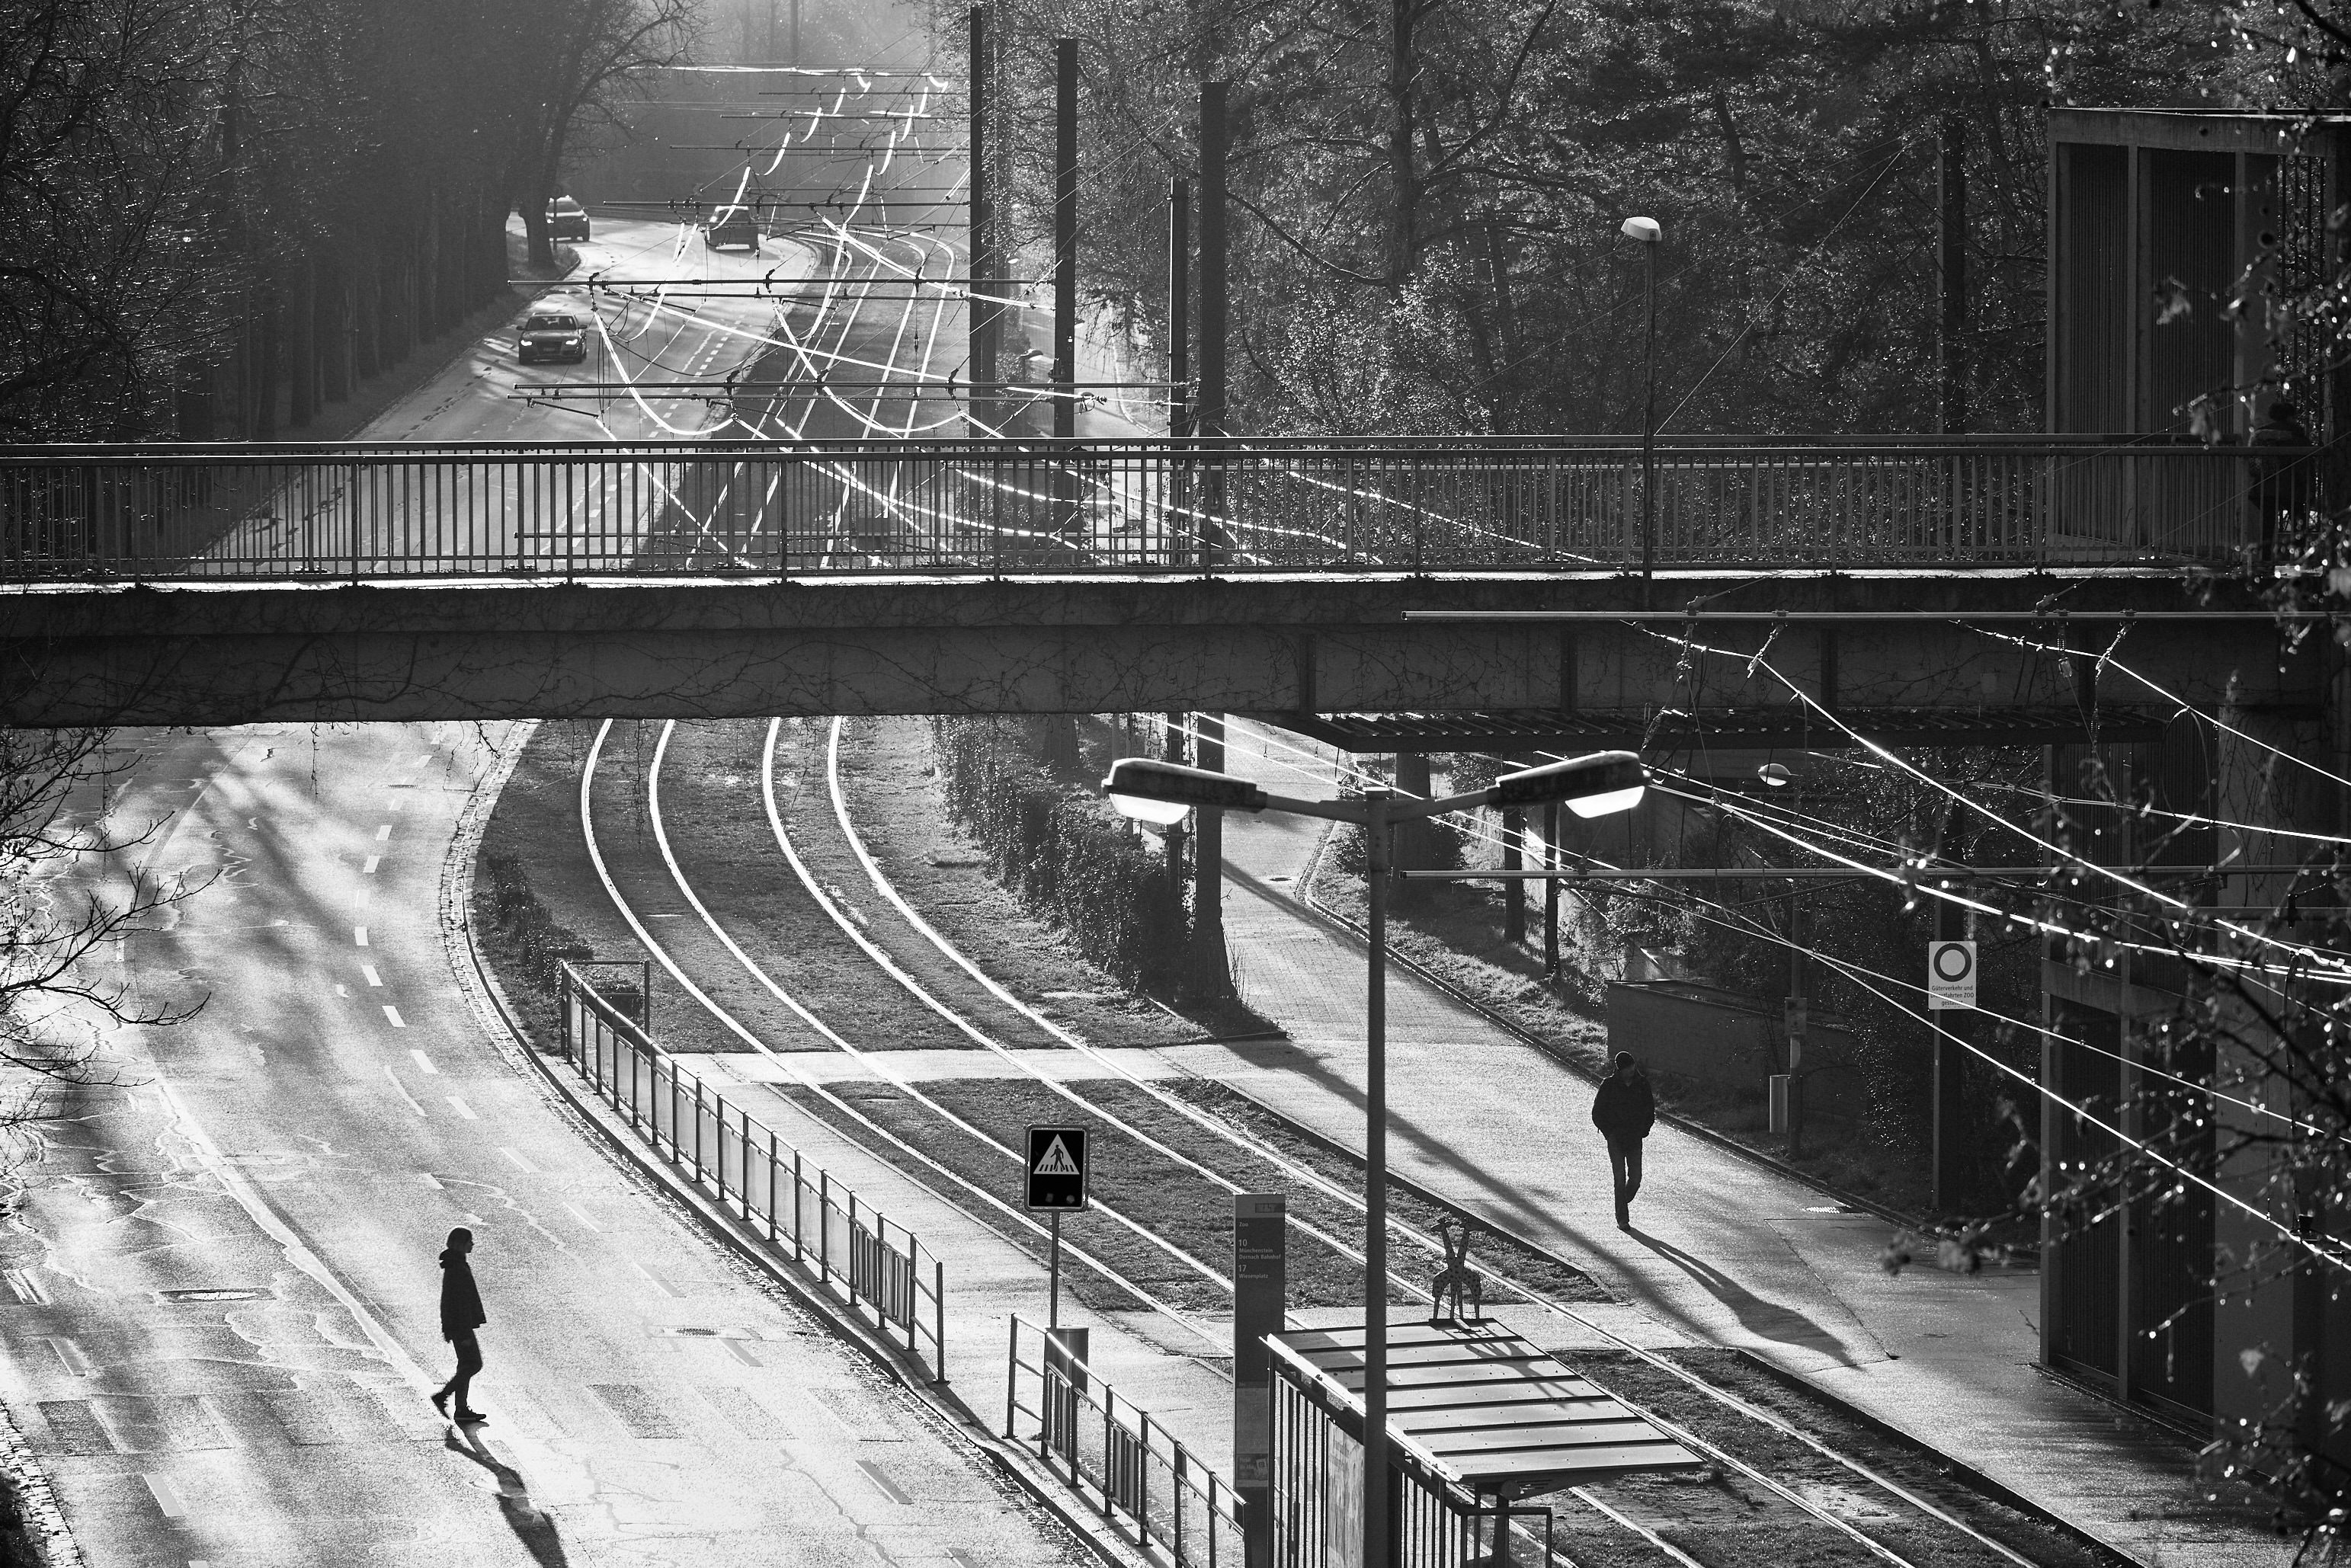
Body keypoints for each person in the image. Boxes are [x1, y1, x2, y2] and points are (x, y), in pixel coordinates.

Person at [1590, 1051, 1656, 1230]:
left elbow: (1650, 1109)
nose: (1631, 1071)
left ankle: (1621, 1202)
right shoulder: (1609, 1085)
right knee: (1619, 1178)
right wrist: (1609, 1133)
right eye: (1627, 1068)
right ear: (1619, 1069)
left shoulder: (1642, 1085)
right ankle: (1622, 1218)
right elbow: (1597, 1113)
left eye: (1632, 1067)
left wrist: (1644, 1130)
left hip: (1635, 1138)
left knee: (1635, 1179)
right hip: (1616, 1139)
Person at [431, 1227, 488, 1424]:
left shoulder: (456, 1264)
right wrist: (461, 1331)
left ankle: (462, 1409)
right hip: (461, 1326)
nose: (472, 1244)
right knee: (474, 1364)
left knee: (466, 1365)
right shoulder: (456, 1267)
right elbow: (455, 1302)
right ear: (461, 1244)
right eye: (469, 1241)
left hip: (459, 1325)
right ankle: (443, 1396)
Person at [2250, 398, 2314, 565]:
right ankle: (2299, 561)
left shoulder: (2260, 435)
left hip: (2266, 486)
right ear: (2290, 417)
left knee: (2267, 524)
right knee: (2298, 524)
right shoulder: (2297, 436)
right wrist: (2309, 490)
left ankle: (2265, 561)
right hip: (2292, 486)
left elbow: (2253, 464)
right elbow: (2304, 465)